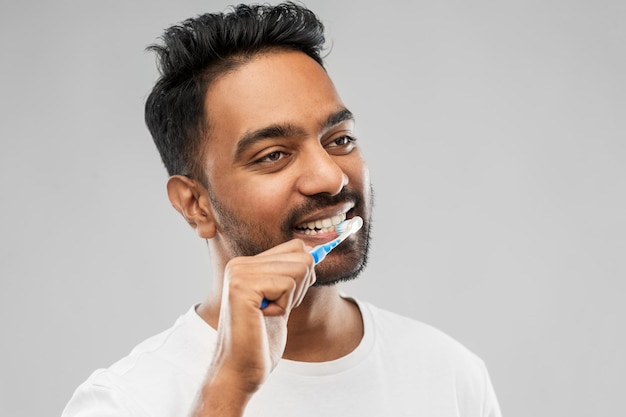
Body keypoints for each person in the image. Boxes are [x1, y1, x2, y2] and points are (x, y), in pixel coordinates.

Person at [62, 3, 502, 416]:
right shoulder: (123, 401)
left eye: (340, 140)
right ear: (195, 205)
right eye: (274, 154)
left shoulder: (450, 374)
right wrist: (228, 387)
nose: (330, 177)